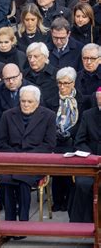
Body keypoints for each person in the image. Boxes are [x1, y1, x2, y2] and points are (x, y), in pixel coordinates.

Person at [0, 85, 56, 222]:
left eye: (30, 102)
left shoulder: (49, 116)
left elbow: (49, 144)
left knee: (23, 180)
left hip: (35, 163)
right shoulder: (8, 115)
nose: (26, 104)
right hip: (11, 161)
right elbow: (1, 143)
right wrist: (16, 156)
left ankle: (23, 222)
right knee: (5, 180)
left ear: (37, 102)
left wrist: (28, 156)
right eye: (23, 101)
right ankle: (9, 222)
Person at [52, 67, 84, 212]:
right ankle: (57, 200)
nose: (63, 86)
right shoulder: (51, 99)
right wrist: (57, 131)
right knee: (57, 160)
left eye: (66, 83)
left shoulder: (82, 100)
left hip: (73, 140)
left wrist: (70, 133)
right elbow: (47, 120)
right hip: (56, 140)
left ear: (73, 83)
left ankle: (68, 200)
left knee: (69, 155)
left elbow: (83, 123)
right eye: (60, 83)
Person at [69, 87, 101, 223]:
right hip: (91, 162)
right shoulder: (88, 115)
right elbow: (79, 141)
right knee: (83, 183)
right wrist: (91, 156)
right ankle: (83, 224)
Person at [0, 63, 34, 133]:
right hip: (6, 132)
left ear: (20, 76)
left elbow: (38, 118)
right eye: (7, 79)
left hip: (28, 133)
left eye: (14, 78)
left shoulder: (33, 90)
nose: (11, 82)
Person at [23, 42, 59, 112]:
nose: (32, 60)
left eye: (36, 56)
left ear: (45, 57)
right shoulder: (23, 75)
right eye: (29, 57)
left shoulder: (57, 75)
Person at [76, 43, 101, 110]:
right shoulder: (75, 77)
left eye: (92, 58)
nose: (88, 62)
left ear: (99, 60)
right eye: (85, 58)